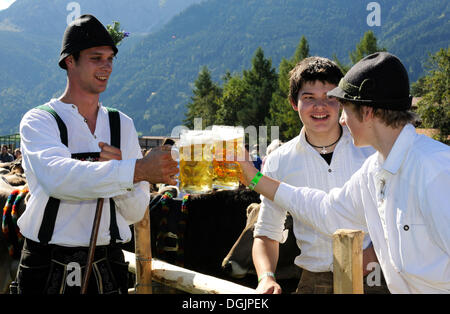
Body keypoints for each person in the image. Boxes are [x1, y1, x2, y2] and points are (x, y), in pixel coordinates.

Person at [239, 52, 450, 294]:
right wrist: (254, 177)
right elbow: (326, 211)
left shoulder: (436, 170)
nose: (341, 119)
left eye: (345, 108)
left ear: (367, 112)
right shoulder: (374, 171)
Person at [15, 14, 179, 295]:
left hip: (108, 265)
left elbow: (135, 211)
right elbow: (60, 179)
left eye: (110, 58)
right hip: (46, 265)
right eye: (96, 58)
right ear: (70, 61)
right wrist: (133, 170)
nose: (106, 66)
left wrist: (122, 176)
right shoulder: (40, 120)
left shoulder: (121, 124)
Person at [252, 56, 381, 294]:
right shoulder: (279, 161)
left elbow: (398, 218)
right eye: (309, 98)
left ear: (341, 101)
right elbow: (267, 233)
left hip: (374, 277)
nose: (320, 107)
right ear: (294, 102)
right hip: (314, 282)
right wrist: (266, 278)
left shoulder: (371, 150)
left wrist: (375, 253)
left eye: (330, 97)